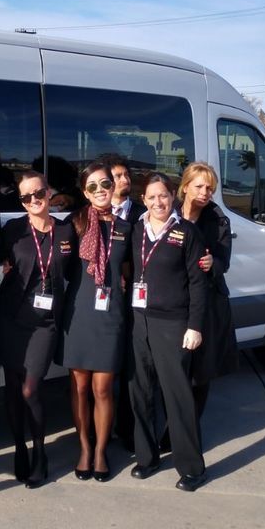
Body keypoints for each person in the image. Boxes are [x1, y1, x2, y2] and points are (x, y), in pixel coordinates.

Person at [127, 172, 210, 491]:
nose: (158, 202)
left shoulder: (186, 232)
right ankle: (147, 458)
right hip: (140, 321)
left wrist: (195, 326)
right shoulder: (137, 230)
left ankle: (192, 468)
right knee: (141, 392)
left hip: (174, 324)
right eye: (151, 197)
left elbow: (198, 283)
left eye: (163, 195)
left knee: (177, 398)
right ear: (143, 200)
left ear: (173, 196)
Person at [0, 171, 76, 488]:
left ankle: (40, 452)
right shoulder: (13, 230)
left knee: (30, 389)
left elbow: (78, 269)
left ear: (49, 192)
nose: (33, 201)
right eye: (26, 197)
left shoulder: (67, 231)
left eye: (38, 193)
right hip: (12, 319)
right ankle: (19, 448)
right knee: (13, 391)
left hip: (46, 323)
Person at [59, 162, 132, 483]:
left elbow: (133, 272)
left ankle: (101, 451)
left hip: (110, 315)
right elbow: (55, 265)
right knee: (80, 386)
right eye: (93, 187)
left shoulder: (127, 228)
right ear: (83, 191)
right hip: (78, 315)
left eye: (105, 184)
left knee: (103, 389)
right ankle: (85, 448)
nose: (101, 191)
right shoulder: (72, 225)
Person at [178, 162, 241, 441]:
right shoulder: (167, 212)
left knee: (199, 372)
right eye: (200, 186)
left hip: (207, 301)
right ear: (186, 187)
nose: (205, 193)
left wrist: (212, 262)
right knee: (175, 370)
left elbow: (223, 261)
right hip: (172, 302)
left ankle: (187, 428)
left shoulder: (217, 220)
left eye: (210, 188)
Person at [101, 154, 145, 452]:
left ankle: (129, 431)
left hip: (137, 302)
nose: (125, 180)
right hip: (105, 302)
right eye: (117, 176)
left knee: (133, 368)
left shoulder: (142, 214)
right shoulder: (93, 213)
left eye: (127, 174)